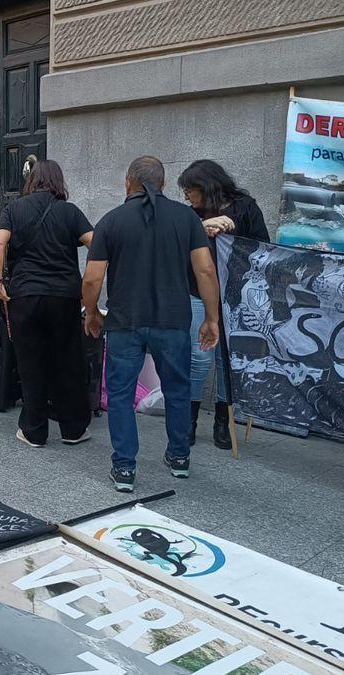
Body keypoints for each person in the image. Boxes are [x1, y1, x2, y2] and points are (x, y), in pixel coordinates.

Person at [82, 156, 221, 492]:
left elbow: (92, 278)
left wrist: (91, 313)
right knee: (177, 390)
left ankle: (125, 468)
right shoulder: (186, 218)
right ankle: (179, 457)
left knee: (119, 394)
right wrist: (212, 319)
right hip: (173, 320)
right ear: (163, 183)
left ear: (128, 182)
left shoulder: (111, 221)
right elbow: (205, 271)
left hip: (124, 321)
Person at [0, 159, 93, 447]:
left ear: (31, 180)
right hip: (64, 295)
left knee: (30, 362)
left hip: (25, 294)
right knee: (68, 361)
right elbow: (95, 243)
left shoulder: (15, 209)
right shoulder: (69, 211)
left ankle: (34, 431)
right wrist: (88, 284)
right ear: (59, 181)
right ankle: (73, 429)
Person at [177, 159, 270, 449]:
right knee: (199, 356)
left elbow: (262, 250)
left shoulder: (245, 207)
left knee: (227, 361)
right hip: (196, 293)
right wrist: (202, 228)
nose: (187, 197)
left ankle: (223, 422)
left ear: (206, 187)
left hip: (236, 294)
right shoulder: (189, 215)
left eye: (190, 190)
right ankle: (188, 422)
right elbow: (175, 244)